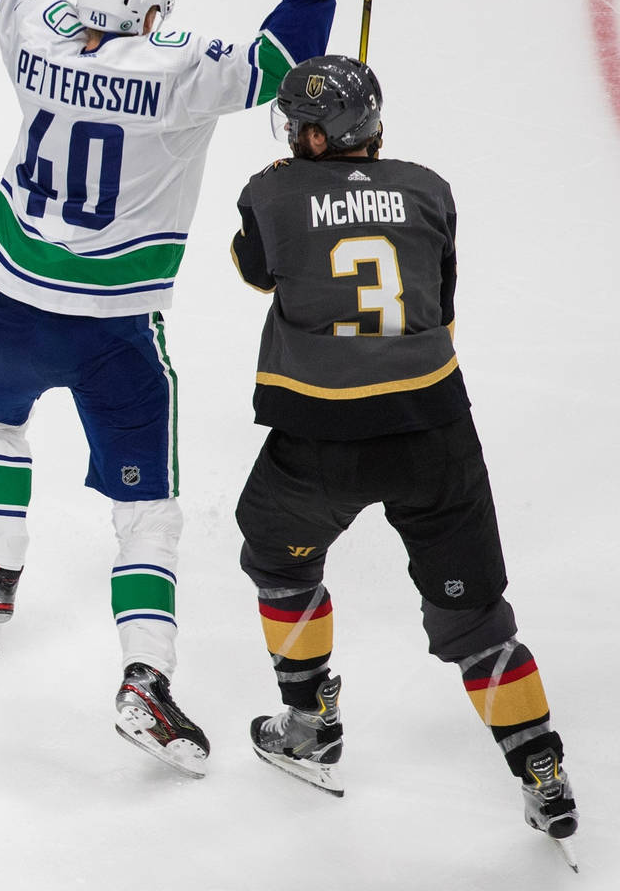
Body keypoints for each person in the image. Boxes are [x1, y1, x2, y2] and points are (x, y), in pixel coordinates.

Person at [0, 0, 366, 777]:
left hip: (14, 303)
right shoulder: (175, 71)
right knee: (148, 515)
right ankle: (146, 678)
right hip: (115, 332)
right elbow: (276, 65)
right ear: (150, 12)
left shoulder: (38, 42)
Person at [231, 55, 578, 854]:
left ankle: (310, 723)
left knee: (280, 564)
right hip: (434, 431)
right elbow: (439, 298)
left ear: (319, 134)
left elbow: (257, 271)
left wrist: (300, 183)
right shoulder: (429, 188)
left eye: (298, 124)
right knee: (478, 620)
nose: (290, 132)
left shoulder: (272, 190)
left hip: (318, 438)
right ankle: (541, 768)